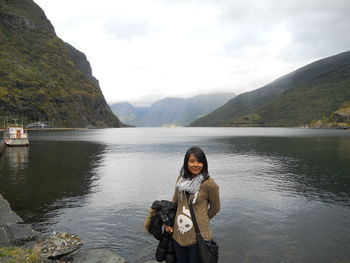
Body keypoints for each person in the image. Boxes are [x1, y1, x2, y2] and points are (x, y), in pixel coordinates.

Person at [166, 146, 220, 263]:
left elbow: (215, 208)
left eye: (199, 161)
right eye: (192, 161)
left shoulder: (209, 184)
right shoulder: (181, 179)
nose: (196, 165)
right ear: (186, 163)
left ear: (204, 164)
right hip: (179, 234)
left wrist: (203, 218)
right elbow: (174, 202)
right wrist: (169, 222)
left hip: (198, 236)